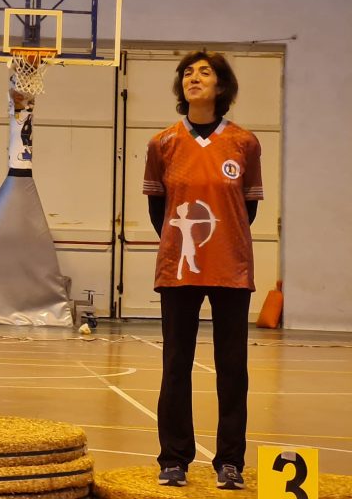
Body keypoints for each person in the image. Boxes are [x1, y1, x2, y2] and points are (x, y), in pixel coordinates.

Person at [143, 51, 263, 490]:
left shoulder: (245, 143)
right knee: (176, 365)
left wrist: (222, 239)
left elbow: (247, 210)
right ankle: (174, 458)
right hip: (179, 268)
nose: (194, 78)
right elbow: (158, 210)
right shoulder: (163, 143)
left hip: (231, 267)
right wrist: (185, 243)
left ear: (221, 86)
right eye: (188, 73)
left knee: (232, 368)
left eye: (205, 72)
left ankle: (230, 461)